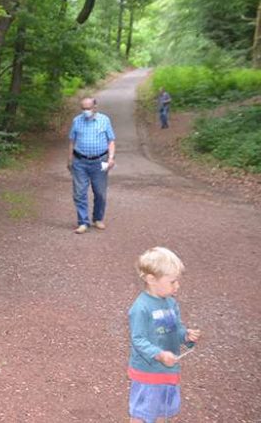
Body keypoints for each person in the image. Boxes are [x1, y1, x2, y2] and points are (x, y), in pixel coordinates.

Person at [128, 247, 201, 423]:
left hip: (168, 370)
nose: (177, 286)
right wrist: (159, 354)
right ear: (151, 279)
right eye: (172, 282)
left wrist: (186, 336)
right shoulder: (141, 308)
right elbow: (138, 339)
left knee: (163, 412)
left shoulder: (171, 304)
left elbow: (174, 329)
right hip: (148, 371)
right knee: (142, 414)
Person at [67, 97, 116, 234]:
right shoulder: (77, 121)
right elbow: (72, 141)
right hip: (80, 161)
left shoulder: (104, 120)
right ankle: (83, 222)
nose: (85, 111)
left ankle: (98, 218)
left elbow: (111, 140)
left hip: (100, 160)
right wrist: (69, 159)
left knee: (100, 193)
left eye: (88, 108)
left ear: (95, 108)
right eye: (83, 108)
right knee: (79, 192)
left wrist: (111, 158)